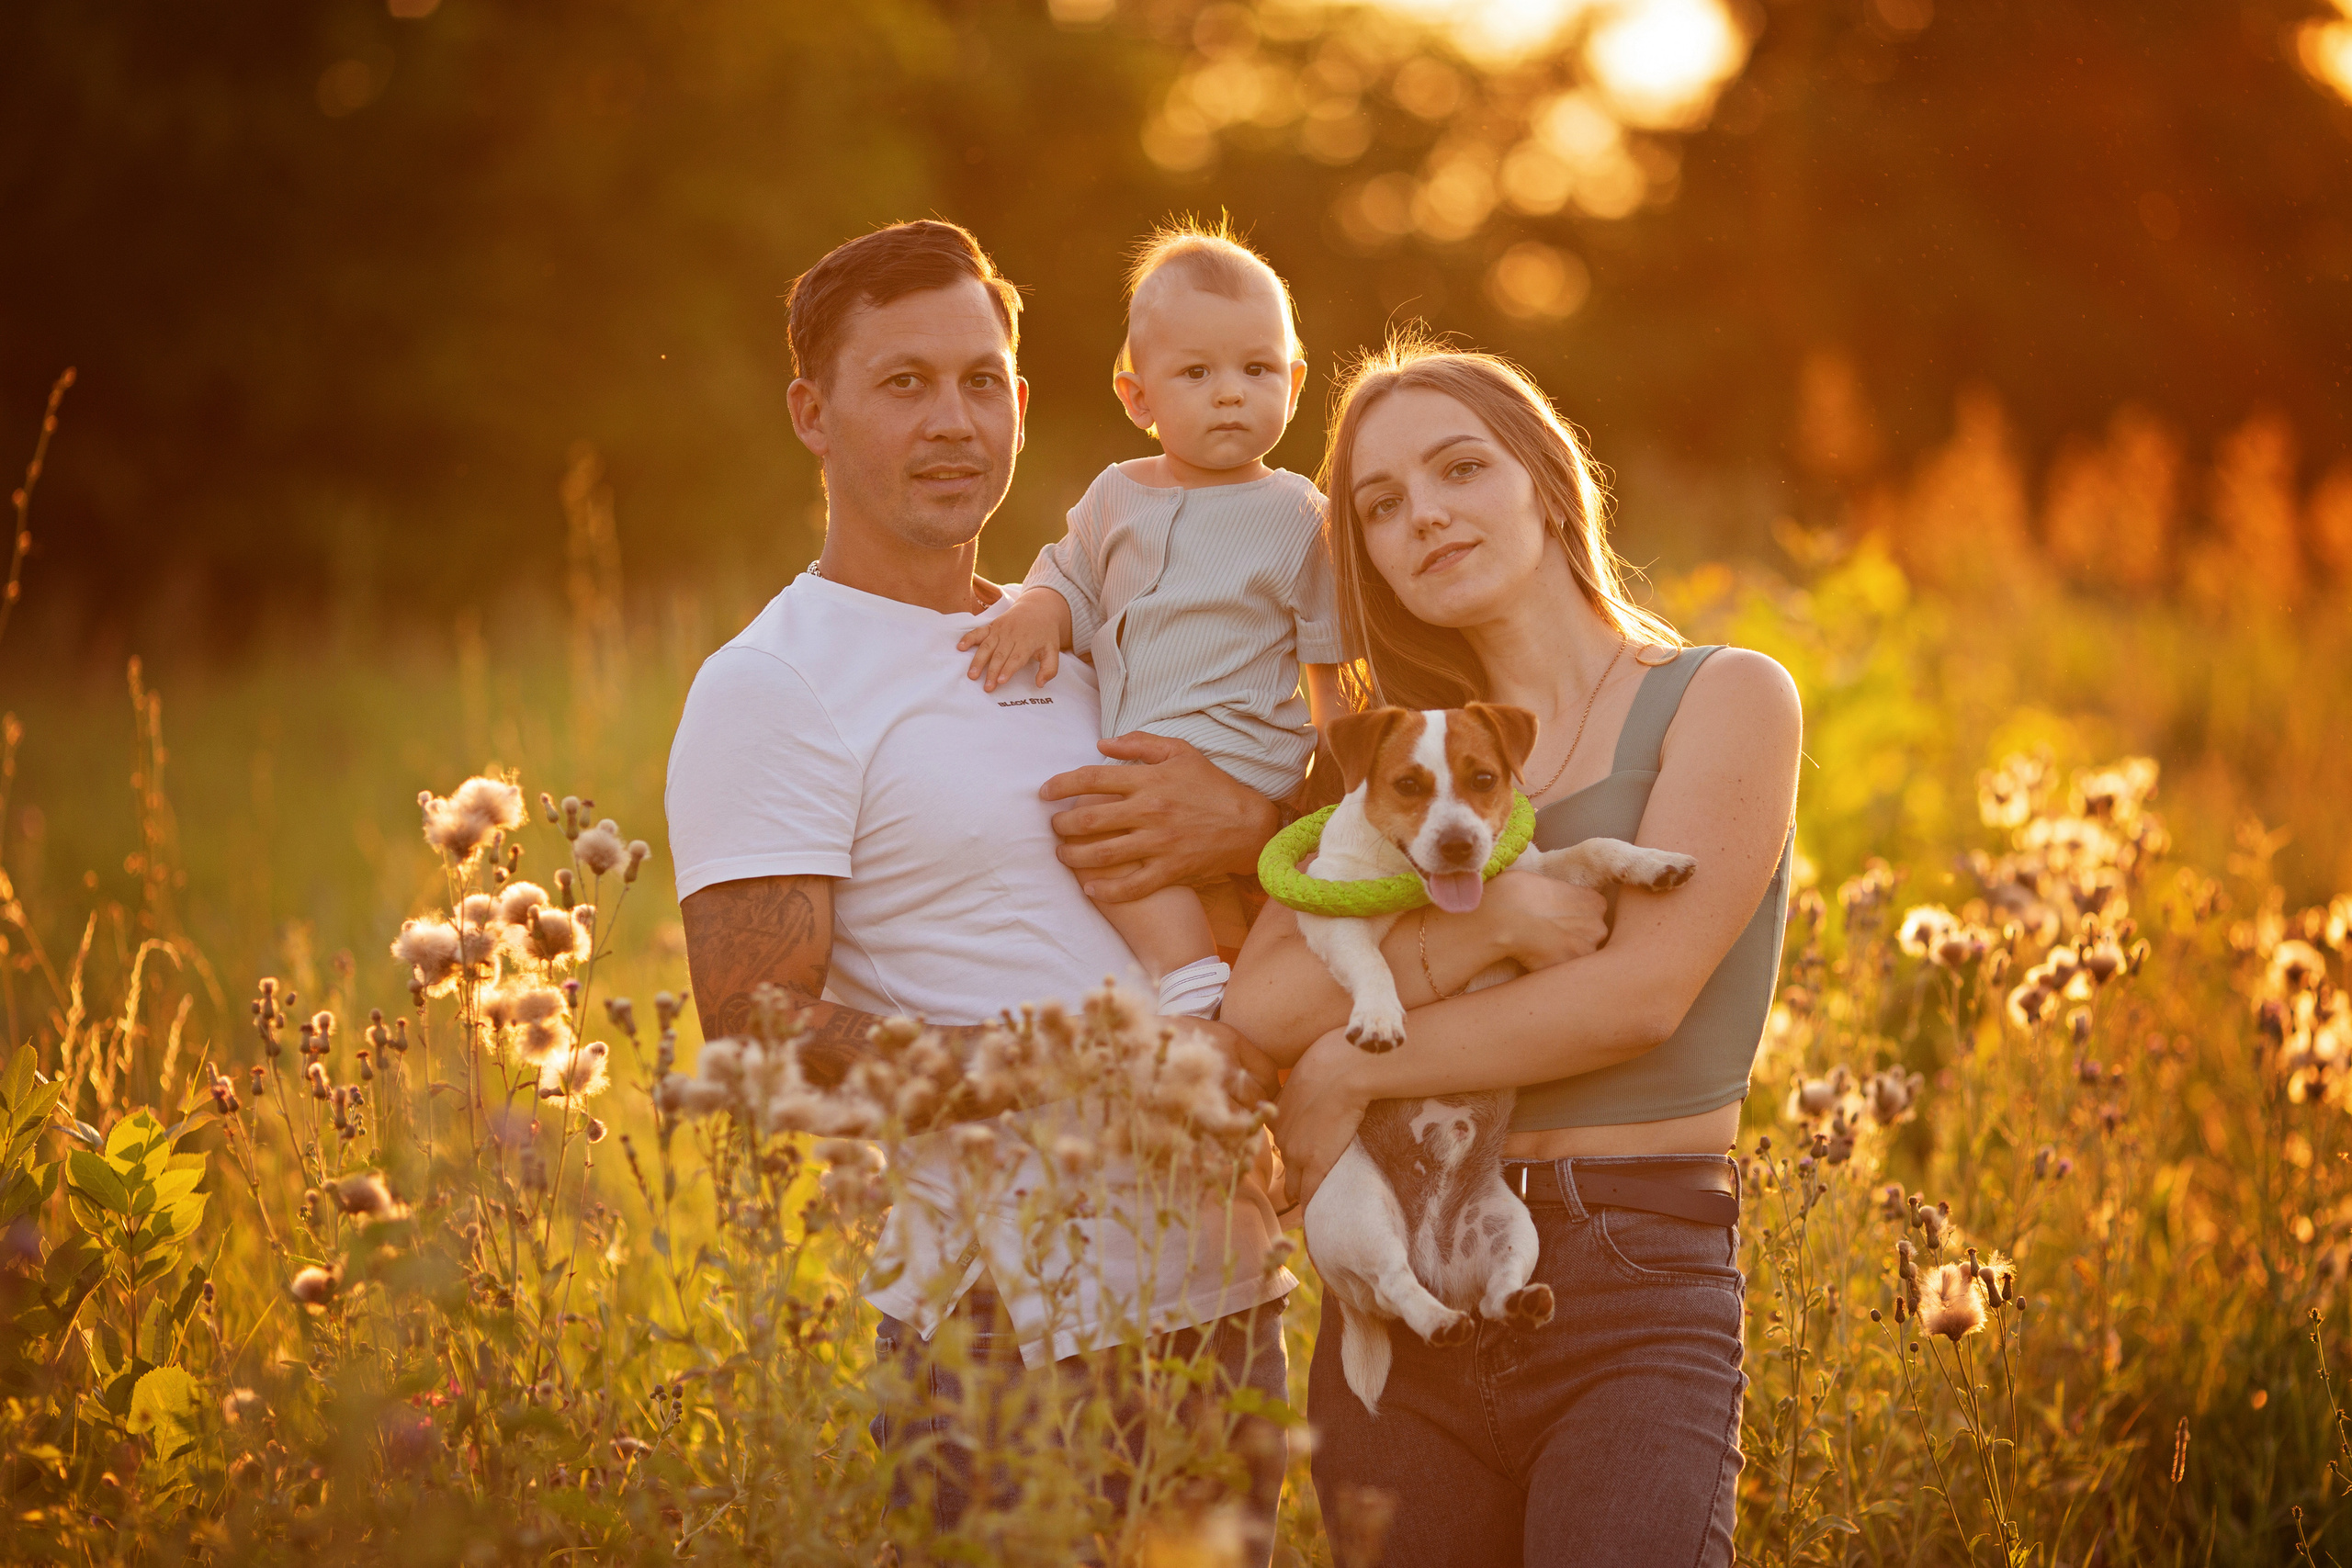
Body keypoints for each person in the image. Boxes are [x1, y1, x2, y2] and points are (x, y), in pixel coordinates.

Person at [662, 219, 1297, 1557]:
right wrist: (1092, 1063)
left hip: (1226, 1300)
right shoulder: (777, 680)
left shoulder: (1086, 643)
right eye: (901, 383)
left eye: (978, 381)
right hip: (1012, 1338)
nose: (951, 421)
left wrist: (1252, 813)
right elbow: (759, 1042)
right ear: (811, 414)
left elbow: (1247, 849)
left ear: (1021, 402)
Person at [1220, 338, 1803, 1568]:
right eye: (1380, 505)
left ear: (1544, 477)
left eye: (1459, 468)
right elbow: (1265, 1001)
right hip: (1395, 1284)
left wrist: (1358, 1068)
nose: (1422, 512)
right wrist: (1486, 927)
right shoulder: (1392, 766)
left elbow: (1639, 994)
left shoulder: (1722, 698)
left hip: (1629, 1278)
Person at [958, 220, 1347, 1021]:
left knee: (1109, 832)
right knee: (1094, 831)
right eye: (1197, 372)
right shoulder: (1114, 495)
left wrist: (1335, 766)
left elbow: (1330, 660)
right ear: (1139, 396)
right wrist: (1038, 607)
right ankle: (1210, 971)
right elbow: (1069, 580)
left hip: (1242, 752)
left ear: (1295, 384)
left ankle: (1190, 975)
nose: (1232, 391)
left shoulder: (1299, 517)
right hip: (1142, 749)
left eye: (1257, 368)